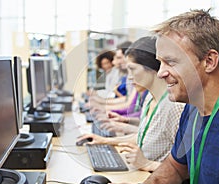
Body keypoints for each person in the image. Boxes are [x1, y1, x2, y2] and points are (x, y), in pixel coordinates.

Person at [104, 9, 219, 184]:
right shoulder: (193, 107)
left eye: (170, 62)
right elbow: (176, 168)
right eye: (160, 63)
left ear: (209, 61)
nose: (161, 73)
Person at [77, 36, 185, 172]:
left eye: (132, 69)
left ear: (151, 68)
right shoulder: (150, 98)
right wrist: (104, 140)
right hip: (141, 177)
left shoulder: (175, 107)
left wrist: (147, 164)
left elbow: (186, 169)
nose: (129, 76)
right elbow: (142, 138)